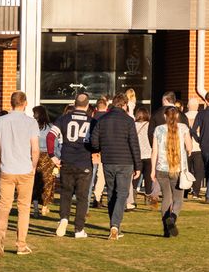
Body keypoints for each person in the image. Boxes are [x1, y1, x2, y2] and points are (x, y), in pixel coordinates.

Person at [0, 92, 39, 256]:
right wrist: (33, 166)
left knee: (4, 206)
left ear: (11, 103)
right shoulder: (31, 122)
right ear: (25, 103)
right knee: (23, 208)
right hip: (25, 169)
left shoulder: (0, 121)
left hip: (7, 169)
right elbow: (35, 149)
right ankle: (21, 245)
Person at [89, 92, 140, 241]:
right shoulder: (128, 120)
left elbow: (94, 141)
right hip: (125, 161)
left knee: (111, 193)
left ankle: (114, 225)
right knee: (122, 194)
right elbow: (134, 144)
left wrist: (101, 148)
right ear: (124, 105)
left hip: (108, 160)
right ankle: (115, 225)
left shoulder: (102, 119)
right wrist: (138, 165)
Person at [53, 94, 94, 239]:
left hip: (67, 161)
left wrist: (52, 155)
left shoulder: (63, 119)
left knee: (66, 194)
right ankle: (79, 229)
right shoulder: (92, 121)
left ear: (74, 103)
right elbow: (96, 141)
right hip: (84, 163)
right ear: (87, 105)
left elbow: (51, 136)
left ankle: (64, 218)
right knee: (82, 197)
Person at [150, 107, 194, 237]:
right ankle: (173, 218)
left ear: (165, 116)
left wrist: (152, 170)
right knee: (178, 199)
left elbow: (154, 152)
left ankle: (166, 229)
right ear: (178, 117)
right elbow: (189, 147)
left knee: (166, 199)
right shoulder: (183, 128)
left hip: (161, 169)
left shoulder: (158, 129)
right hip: (177, 169)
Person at [31, 105, 61, 217]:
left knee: (34, 183)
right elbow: (55, 144)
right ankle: (44, 207)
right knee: (47, 183)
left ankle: (35, 209)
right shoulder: (51, 127)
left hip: (34, 156)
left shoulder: (31, 126)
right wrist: (57, 158)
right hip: (48, 157)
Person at [134, 106, 154, 205]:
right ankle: (148, 196)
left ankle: (132, 195)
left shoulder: (133, 125)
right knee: (148, 177)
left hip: (137, 154)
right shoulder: (150, 125)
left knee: (135, 176)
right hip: (148, 154)